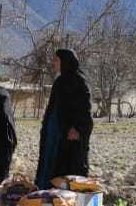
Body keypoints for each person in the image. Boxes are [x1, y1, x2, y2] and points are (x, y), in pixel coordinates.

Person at [35, 49, 93, 190]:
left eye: (56, 60)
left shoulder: (79, 82)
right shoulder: (60, 81)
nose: (53, 63)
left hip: (68, 135)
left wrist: (78, 128)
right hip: (53, 133)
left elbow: (85, 110)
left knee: (65, 168)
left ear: (65, 61)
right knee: (49, 163)